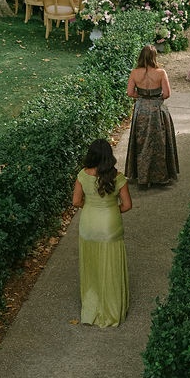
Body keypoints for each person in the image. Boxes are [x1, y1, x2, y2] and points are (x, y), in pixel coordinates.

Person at [72, 139, 131, 327]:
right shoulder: (118, 177)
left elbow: (76, 202)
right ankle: (112, 308)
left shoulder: (82, 175)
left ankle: (92, 306)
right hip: (110, 226)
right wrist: (112, 209)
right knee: (111, 266)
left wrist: (90, 206)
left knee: (91, 265)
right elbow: (127, 205)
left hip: (89, 224)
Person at [125, 44, 179, 189]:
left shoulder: (134, 73)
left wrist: (141, 96)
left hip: (141, 109)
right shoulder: (161, 73)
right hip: (157, 110)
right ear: (154, 57)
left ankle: (142, 177)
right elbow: (167, 94)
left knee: (141, 143)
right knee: (159, 142)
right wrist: (156, 98)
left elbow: (130, 93)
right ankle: (160, 178)